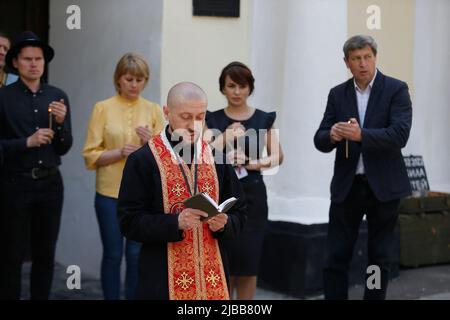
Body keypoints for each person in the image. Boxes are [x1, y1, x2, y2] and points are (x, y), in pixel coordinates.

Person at [117, 82, 247, 300]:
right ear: (166, 113)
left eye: (200, 117)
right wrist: (174, 223)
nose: (193, 125)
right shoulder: (143, 160)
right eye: (186, 116)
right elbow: (128, 222)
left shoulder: (217, 158)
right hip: (161, 278)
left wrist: (225, 223)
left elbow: (241, 212)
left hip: (211, 279)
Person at [314, 35, 412, 300]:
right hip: (348, 187)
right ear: (347, 62)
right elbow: (319, 139)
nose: (363, 63)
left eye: (367, 57)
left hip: (384, 188)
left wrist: (361, 136)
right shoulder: (338, 93)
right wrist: (332, 134)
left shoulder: (396, 89)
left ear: (375, 57)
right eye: (356, 58)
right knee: (336, 255)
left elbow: (399, 134)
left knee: (378, 258)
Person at [83, 52, 165, 300]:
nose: (134, 85)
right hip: (109, 193)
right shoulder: (102, 108)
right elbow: (90, 155)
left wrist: (151, 143)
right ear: (118, 79)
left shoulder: (153, 110)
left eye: (140, 80)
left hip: (143, 196)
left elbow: (167, 157)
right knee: (113, 254)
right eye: (129, 79)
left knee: (136, 254)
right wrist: (119, 152)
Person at [0, 31, 73, 300]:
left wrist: (62, 123)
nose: (34, 64)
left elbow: (65, 146)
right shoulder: (3, 97)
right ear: (16, 62)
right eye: (28, 59)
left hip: (51, 184)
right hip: (14, 184)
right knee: (11, 254)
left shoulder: (58, 96)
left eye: (38, 59)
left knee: (45, 254)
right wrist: (26, 142)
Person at [206, 61, 284, 300]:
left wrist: (251, 162)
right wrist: (225, 139)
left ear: (250, 88)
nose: (237, 91)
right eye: (231, 86)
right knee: (224, 260)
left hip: (253, 196)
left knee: (249, 264)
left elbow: (277, 156)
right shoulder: (213, 119)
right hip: (222, 195)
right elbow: (202, 154)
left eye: (242, 86)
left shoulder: (263, 119)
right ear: (223, 88)